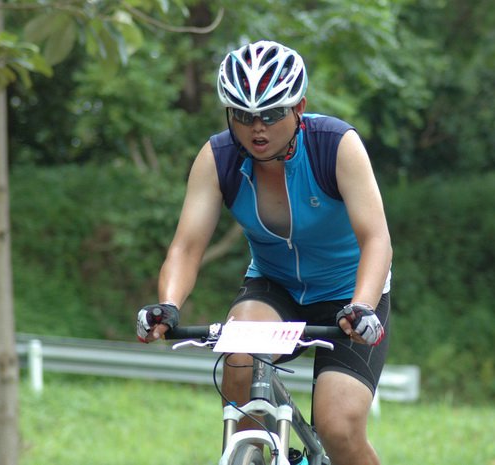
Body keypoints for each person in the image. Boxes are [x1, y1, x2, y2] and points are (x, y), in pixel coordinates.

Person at [136, 40, 393, 465]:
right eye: (243, 115)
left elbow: (376, 238)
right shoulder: (218, 158)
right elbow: (186, 246)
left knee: (338, 426)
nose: (258, 128)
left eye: (271, 114)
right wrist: (168, 304)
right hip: (275, 287)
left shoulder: (335, 145)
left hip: (350, 294)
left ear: (299, 108)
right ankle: (252, 452)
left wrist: (362, 305)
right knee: (238, 359)